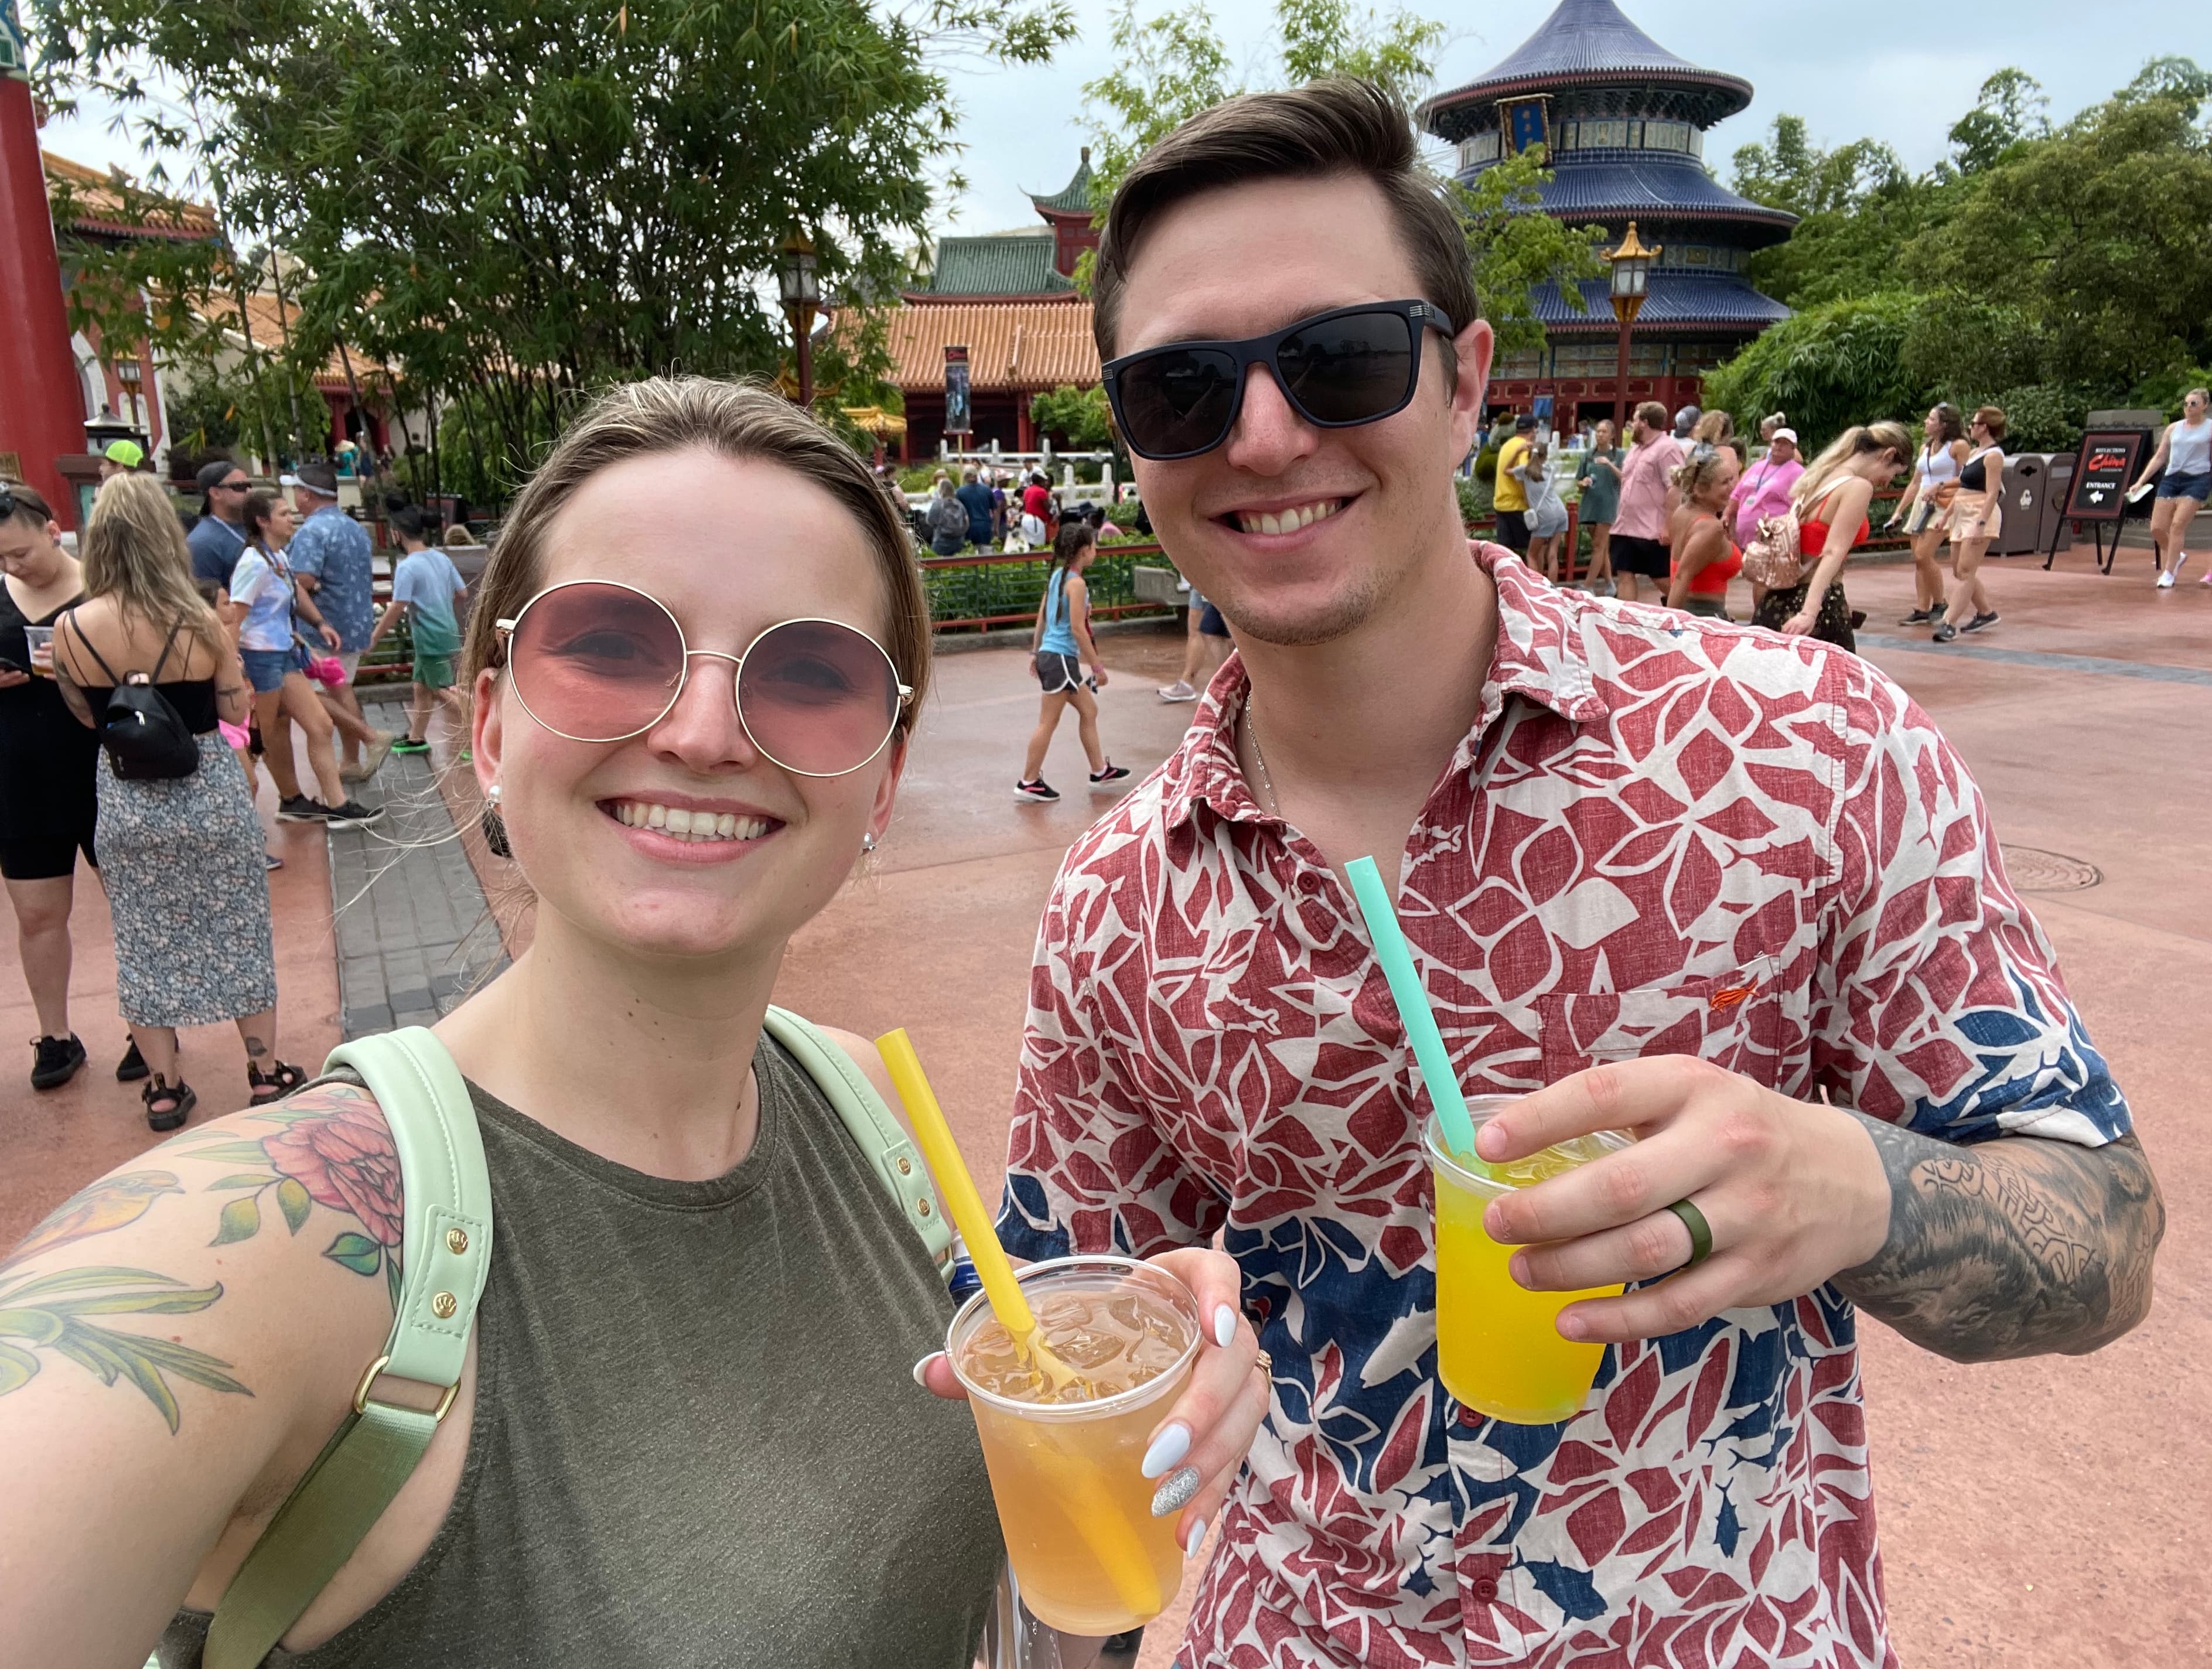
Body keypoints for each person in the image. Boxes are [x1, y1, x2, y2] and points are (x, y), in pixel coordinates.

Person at [1011, 78, 2160, 1667]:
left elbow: (2103, 1236)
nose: (1264, 435)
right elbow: (1065, 1374)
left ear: (1466, 378)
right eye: (1180, 390)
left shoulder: (1803, 747)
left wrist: (1855, 1189)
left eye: (1341, 358)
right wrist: (1154, 1346)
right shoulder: (1113, 903)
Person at [2, 378, 1265, 1667]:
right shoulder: (248, 1257)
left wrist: (1115, 1395)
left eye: (813, 670)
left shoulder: (862, 1109)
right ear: (491, 724)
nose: (707, 731)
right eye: (610, 647)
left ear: (881, 779)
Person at [47, 474, 310, 1131]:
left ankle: (164, 1088)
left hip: (128, 798)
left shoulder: (72, 628)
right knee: (240, 930)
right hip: (208, 793)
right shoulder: (200, 620)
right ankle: (264, 1071)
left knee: (140, 939)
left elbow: (84, 716)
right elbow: (232, 705)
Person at [1, 480, 144, 1091]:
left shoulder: (104, 590)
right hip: (19, 778)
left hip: (100, 773)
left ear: (51, 530)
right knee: (37, 913)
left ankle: (148, 1027)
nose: (13, 566)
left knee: (130, 904)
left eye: (21, 553)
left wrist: (88, 672)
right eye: (2, 559)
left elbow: (146, 674)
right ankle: (55, 1035)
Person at [226, 492, 386, 830]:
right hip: (261, 659)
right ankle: (235, 815)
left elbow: (293, 595)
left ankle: (337, 805)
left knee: (320, 725)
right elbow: (235, 618)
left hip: (283, 654)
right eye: (283, 514)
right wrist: (232, 668)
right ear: (263, 521)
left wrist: (315, 625)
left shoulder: (277, 558)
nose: (291, 518)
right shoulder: (253, 563)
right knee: (261, 736)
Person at [1749, 421, 1913, 653]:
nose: (1887, 483)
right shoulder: (1858, 487)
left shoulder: (1819, 477)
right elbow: (1833, 551)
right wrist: (1809, 612)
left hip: (1777, 600)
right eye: (1893, 474)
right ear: (1888, 455)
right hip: (1815, 602)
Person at [287, 460, 390, 779]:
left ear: (306, 494)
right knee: (342, 690)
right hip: (355, 625)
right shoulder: (354, 528)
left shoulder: (312, 532)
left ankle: (367, 737)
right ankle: (351, 759)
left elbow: (301, 580)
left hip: (322, 629)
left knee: (308, 694)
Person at [1015, 521, 1128, 801]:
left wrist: (1035, 651)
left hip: (1053, 657)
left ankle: (1099, 771)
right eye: (1094, 545)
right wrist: (1098, 667)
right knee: (1047, 722)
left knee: (1089, 711)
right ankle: (1028, 781)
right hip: (1061, 660)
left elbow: (1042, 615)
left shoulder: (1058, 577)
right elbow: (1078, 629)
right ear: (1084, 551)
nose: (1096, 550)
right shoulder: (1076, 584)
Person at [365, 504, 468, 754]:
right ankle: (416, 738)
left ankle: (476, 736)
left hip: (430, 637)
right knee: (421, 687)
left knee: (443, 692)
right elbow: (462, 593)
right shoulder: (441, 558)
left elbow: (398, 606)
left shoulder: (408, 567)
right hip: (445, 632)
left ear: (396, 534)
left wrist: (374, 637)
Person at [2135, 387, 2212, 588]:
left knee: (2177, 525)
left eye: (2194, 403)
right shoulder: (2173, 428)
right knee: (2157, 528)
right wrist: (2141, 481)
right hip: (2171, 478)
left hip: (2198, 479)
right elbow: (2160, 457)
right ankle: (2178, 555)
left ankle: (2169, 572)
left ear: (2205, 406)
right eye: (2186, 403)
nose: (2188, 407)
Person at [1932, 405, 2009, 644]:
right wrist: (1946, 516)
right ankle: (1986, 613)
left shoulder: (1994, 455)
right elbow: (1964, 488)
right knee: (1959, 569)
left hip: (1979, 513)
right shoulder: (1976, 452)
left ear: (1984, 427)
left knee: (1965, 571)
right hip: (1962, 512)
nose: (1970, 428)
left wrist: (1981, 523)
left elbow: (1993, 491)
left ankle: (1949, 623)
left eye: (1973, 424)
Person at [1893, 403, 1966, 624]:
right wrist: (1899, 511)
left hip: (1944, 503)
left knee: (1924, 554)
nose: (1926, 421)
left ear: (1944, 425)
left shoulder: (1958, 446)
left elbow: (1968, 477)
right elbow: (1916, 482)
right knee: (1919, 560)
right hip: (1922, 502)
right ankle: (1923, 608)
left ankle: (1940, 603)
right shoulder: (1926, 448)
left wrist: (1941, 485)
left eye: (1931, 419)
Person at [1609, 400, 1687, 601]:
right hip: (1625, 525)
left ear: (1644, 422)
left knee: (1660, 577)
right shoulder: (1635, 448)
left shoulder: (1667, 448)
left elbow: (1676, 488)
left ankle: (1692, 609)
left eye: (1634, 420)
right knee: (1624, 573)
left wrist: (1669, 526)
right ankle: (1625, 622)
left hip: (1651, 527)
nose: (1632, 424)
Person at [1720, 422, 1803, 600]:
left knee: (1764, 577)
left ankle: (1761, 617)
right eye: (1776, 442)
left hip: (1772, 534)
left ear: (1793, 449)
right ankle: (1761, 615)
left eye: (1784, 444)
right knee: (1757, 576)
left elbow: (1800, 506)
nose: (1779, 446)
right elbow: (1737, 494)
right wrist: (1727, 514)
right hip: (1746, 536)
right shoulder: (1758, 467)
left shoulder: (1797, 473)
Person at [1664, 445, 1741, 619]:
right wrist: (1670, 625)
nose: (1732, 487)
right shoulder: (1711, 528)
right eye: (1724, 483)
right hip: (1704, 614)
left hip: (1694, 609)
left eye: (1731, 479)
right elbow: (1682, 577)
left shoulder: (1682, 512)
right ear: (1700, 490)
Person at [1575, 415, 1624, 594]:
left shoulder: (1618, 455)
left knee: (1598, 545)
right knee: (1601, 548)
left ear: (1612, 435)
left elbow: (1625, 478)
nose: (1600, 435)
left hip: (1608, 505)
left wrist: (1610, 464)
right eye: (1598, 432)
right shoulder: (1588, 456)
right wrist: (1583, 483)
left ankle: (1588, 586)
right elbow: (1579, 483)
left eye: (1604, 432)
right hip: (1590, 504)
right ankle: (1610, 584)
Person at [185, 460, 254, 588]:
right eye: (240, 487)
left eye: (250, 485)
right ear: (216, 493)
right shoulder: (202, 543)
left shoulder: (256, 525)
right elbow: (207, 600)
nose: (249, 492)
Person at [1160, 583, 1233, 703]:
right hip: (1201, 580)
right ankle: (1226, 684)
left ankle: (1226, 684)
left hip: (1206, 579)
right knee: (1210, 629)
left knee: (1203, 629)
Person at [1518, 438, 1569, 580]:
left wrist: (1518, 451)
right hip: (1561, 512)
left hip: (1545, 515)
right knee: (1552, 554)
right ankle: (1552, 590)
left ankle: (1535, 588)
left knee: (1531, 555)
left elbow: (1505, 470)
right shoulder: (1549, 470)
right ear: (1546, 456)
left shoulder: (1524, 471)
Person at [1489, 412, 1535, 561]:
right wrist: (1528, 500)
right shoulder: (1524, 448)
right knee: (1531, 551)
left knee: (1506, 553)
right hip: (1517, 505)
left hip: (1501, 504)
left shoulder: (1506, 446)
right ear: (1533, 430)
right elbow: (1523, 475)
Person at [926, 475, 970, 555]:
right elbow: (967, 522)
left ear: (941, 490)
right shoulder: (959, 504)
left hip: (941, 543)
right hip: (958, 543)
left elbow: (929, 521)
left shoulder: (937, 504)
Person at [957, 464, 996, 549]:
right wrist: (995, 527)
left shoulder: (960, 492)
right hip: (985, 526)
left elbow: (958, 513)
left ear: (965, 476)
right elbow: (994, 510)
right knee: (986, 554)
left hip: (968, 528)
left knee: (970, 555)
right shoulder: (987, 490)